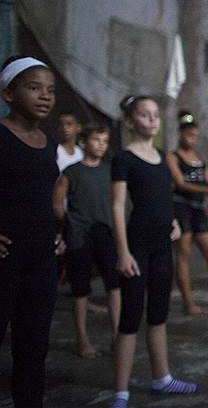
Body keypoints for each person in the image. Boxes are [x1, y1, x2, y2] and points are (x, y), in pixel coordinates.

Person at [109, 96, 199, 408]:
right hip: (136, 246)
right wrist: (122, 251)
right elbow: (119, 206)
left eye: (156, 115)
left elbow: (163, 198)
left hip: (163, 244)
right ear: (131, 121)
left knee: (159, 314)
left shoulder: (162, 156)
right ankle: (121, 391)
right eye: (145, 115)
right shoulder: (124, 158)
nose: (152, 120)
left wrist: (173, 221)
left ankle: (161, 378)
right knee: (130, 318)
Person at [0, 55, 64, 408]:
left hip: (41, 259)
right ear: (8, 94)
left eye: (50, 90)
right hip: (6, 257)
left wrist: (58, 232)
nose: (45, 96)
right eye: (33, 87)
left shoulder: (49, 143)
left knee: (33, 346)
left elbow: (46, 197)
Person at [53, 122, 121, 359]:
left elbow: (118, 202)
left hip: (106, 233)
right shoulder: (71, 172)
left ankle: (116, 338)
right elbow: (56, 204)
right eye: (96, 140)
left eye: (105, 141)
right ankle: (83, 340)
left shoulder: (110, 170)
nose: (102, 145)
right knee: (81, 290)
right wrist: (70, 225)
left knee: (114, 287)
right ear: (83, 143)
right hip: (79, 235)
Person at [168, 111, 208, 315]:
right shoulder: (173, 157)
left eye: (195, 135)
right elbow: (180, 183)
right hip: (181, 208)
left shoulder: (199, 158)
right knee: (184, 254)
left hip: (198, 209)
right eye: (188, 135)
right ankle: (188, 302)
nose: (192, 139)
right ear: (180, 134)